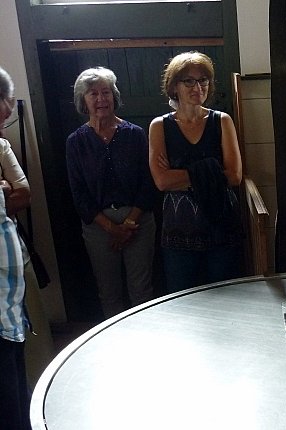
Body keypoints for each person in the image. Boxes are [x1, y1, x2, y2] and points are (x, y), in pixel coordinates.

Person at [149, 51, 243, 293]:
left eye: (203, 80)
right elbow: (161, 181)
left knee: (227, 296)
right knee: (183, 301)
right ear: (174, 86)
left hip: (221, 226)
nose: (197, 87)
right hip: (179, 230)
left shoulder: (222, 121)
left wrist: (180, 174)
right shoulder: (160, 126)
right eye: (189, 81)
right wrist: (211, 170)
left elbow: (234, 176)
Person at [66, 67, 156, 319]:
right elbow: (79, 193)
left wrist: (127, 224)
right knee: (109, 293)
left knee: (142, 291)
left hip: (138, 222)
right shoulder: (76, 141)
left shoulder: (135, 134)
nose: (100, 99)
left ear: (113, 96)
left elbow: (148, 182)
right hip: (99, 228)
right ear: (83, 100)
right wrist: (112, 229)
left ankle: (146, 337)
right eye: (93, 94)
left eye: (105, 92)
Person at [0, 66, 38, 430]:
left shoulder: (0, 144)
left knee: (14, 397)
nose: (8, 113)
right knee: (7, 412)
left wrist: (8, 191)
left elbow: (24, 193)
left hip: (8, 307)